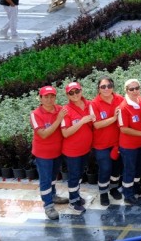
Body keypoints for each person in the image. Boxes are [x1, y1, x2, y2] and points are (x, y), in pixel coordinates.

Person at [30, 85, 69, 219]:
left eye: (52, 96)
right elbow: (44, 134)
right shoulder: (35, 114)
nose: (49, 99)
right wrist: (58, 119)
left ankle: (53, 196)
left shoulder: (60, 109)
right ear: (40, 98)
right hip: (43, 154)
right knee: (45, 180)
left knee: (53, 177)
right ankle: (48, 205)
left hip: (57, 151)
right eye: (46, 96)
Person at [89, 77, 124, 206]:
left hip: (118, 142)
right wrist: (114, 118)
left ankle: (113, 188)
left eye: (109, 85)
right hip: (101, 144)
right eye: (103, 86)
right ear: (98, 88)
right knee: (105, 168)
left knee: (116, 168)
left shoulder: (120, 99)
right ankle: (103, 192)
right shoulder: (94, 104)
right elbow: (97, 125)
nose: (106, 89)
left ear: (113, 87)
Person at [118, 79, 141, 206]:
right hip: (129, 146)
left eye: (137, 88)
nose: (135, 91)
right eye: (131, 89)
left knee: (138, 168)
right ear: (126, 90)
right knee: (129, 170)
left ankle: (135, 187)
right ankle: (127, 194)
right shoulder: (123, 107)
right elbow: (123, 128)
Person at [60, 81, 94, 214]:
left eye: (77, 91)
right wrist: (82, 121)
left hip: (85, 149)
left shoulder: (89, 104)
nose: (75, 95)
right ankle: (73, 201)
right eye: (71, 93)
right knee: (74, 176)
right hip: (72, 151)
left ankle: (77, 195)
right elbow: (66, 132)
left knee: (79, 174)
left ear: (81, 91)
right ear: (67, 95)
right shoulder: (66, 110)